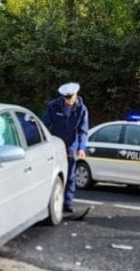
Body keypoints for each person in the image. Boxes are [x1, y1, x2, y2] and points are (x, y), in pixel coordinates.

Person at [42, 82, 89, 213]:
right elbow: (45, 125)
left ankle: (67, 205)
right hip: (56, 146)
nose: (68, 101)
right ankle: (50, 203)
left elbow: (82, 131)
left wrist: (81, 148)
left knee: (70, 177)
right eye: (66, 98)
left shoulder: (82, 109)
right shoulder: (54, 106)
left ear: (76, 95)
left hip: (71, 147)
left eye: (71, 98)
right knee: (53, 175)